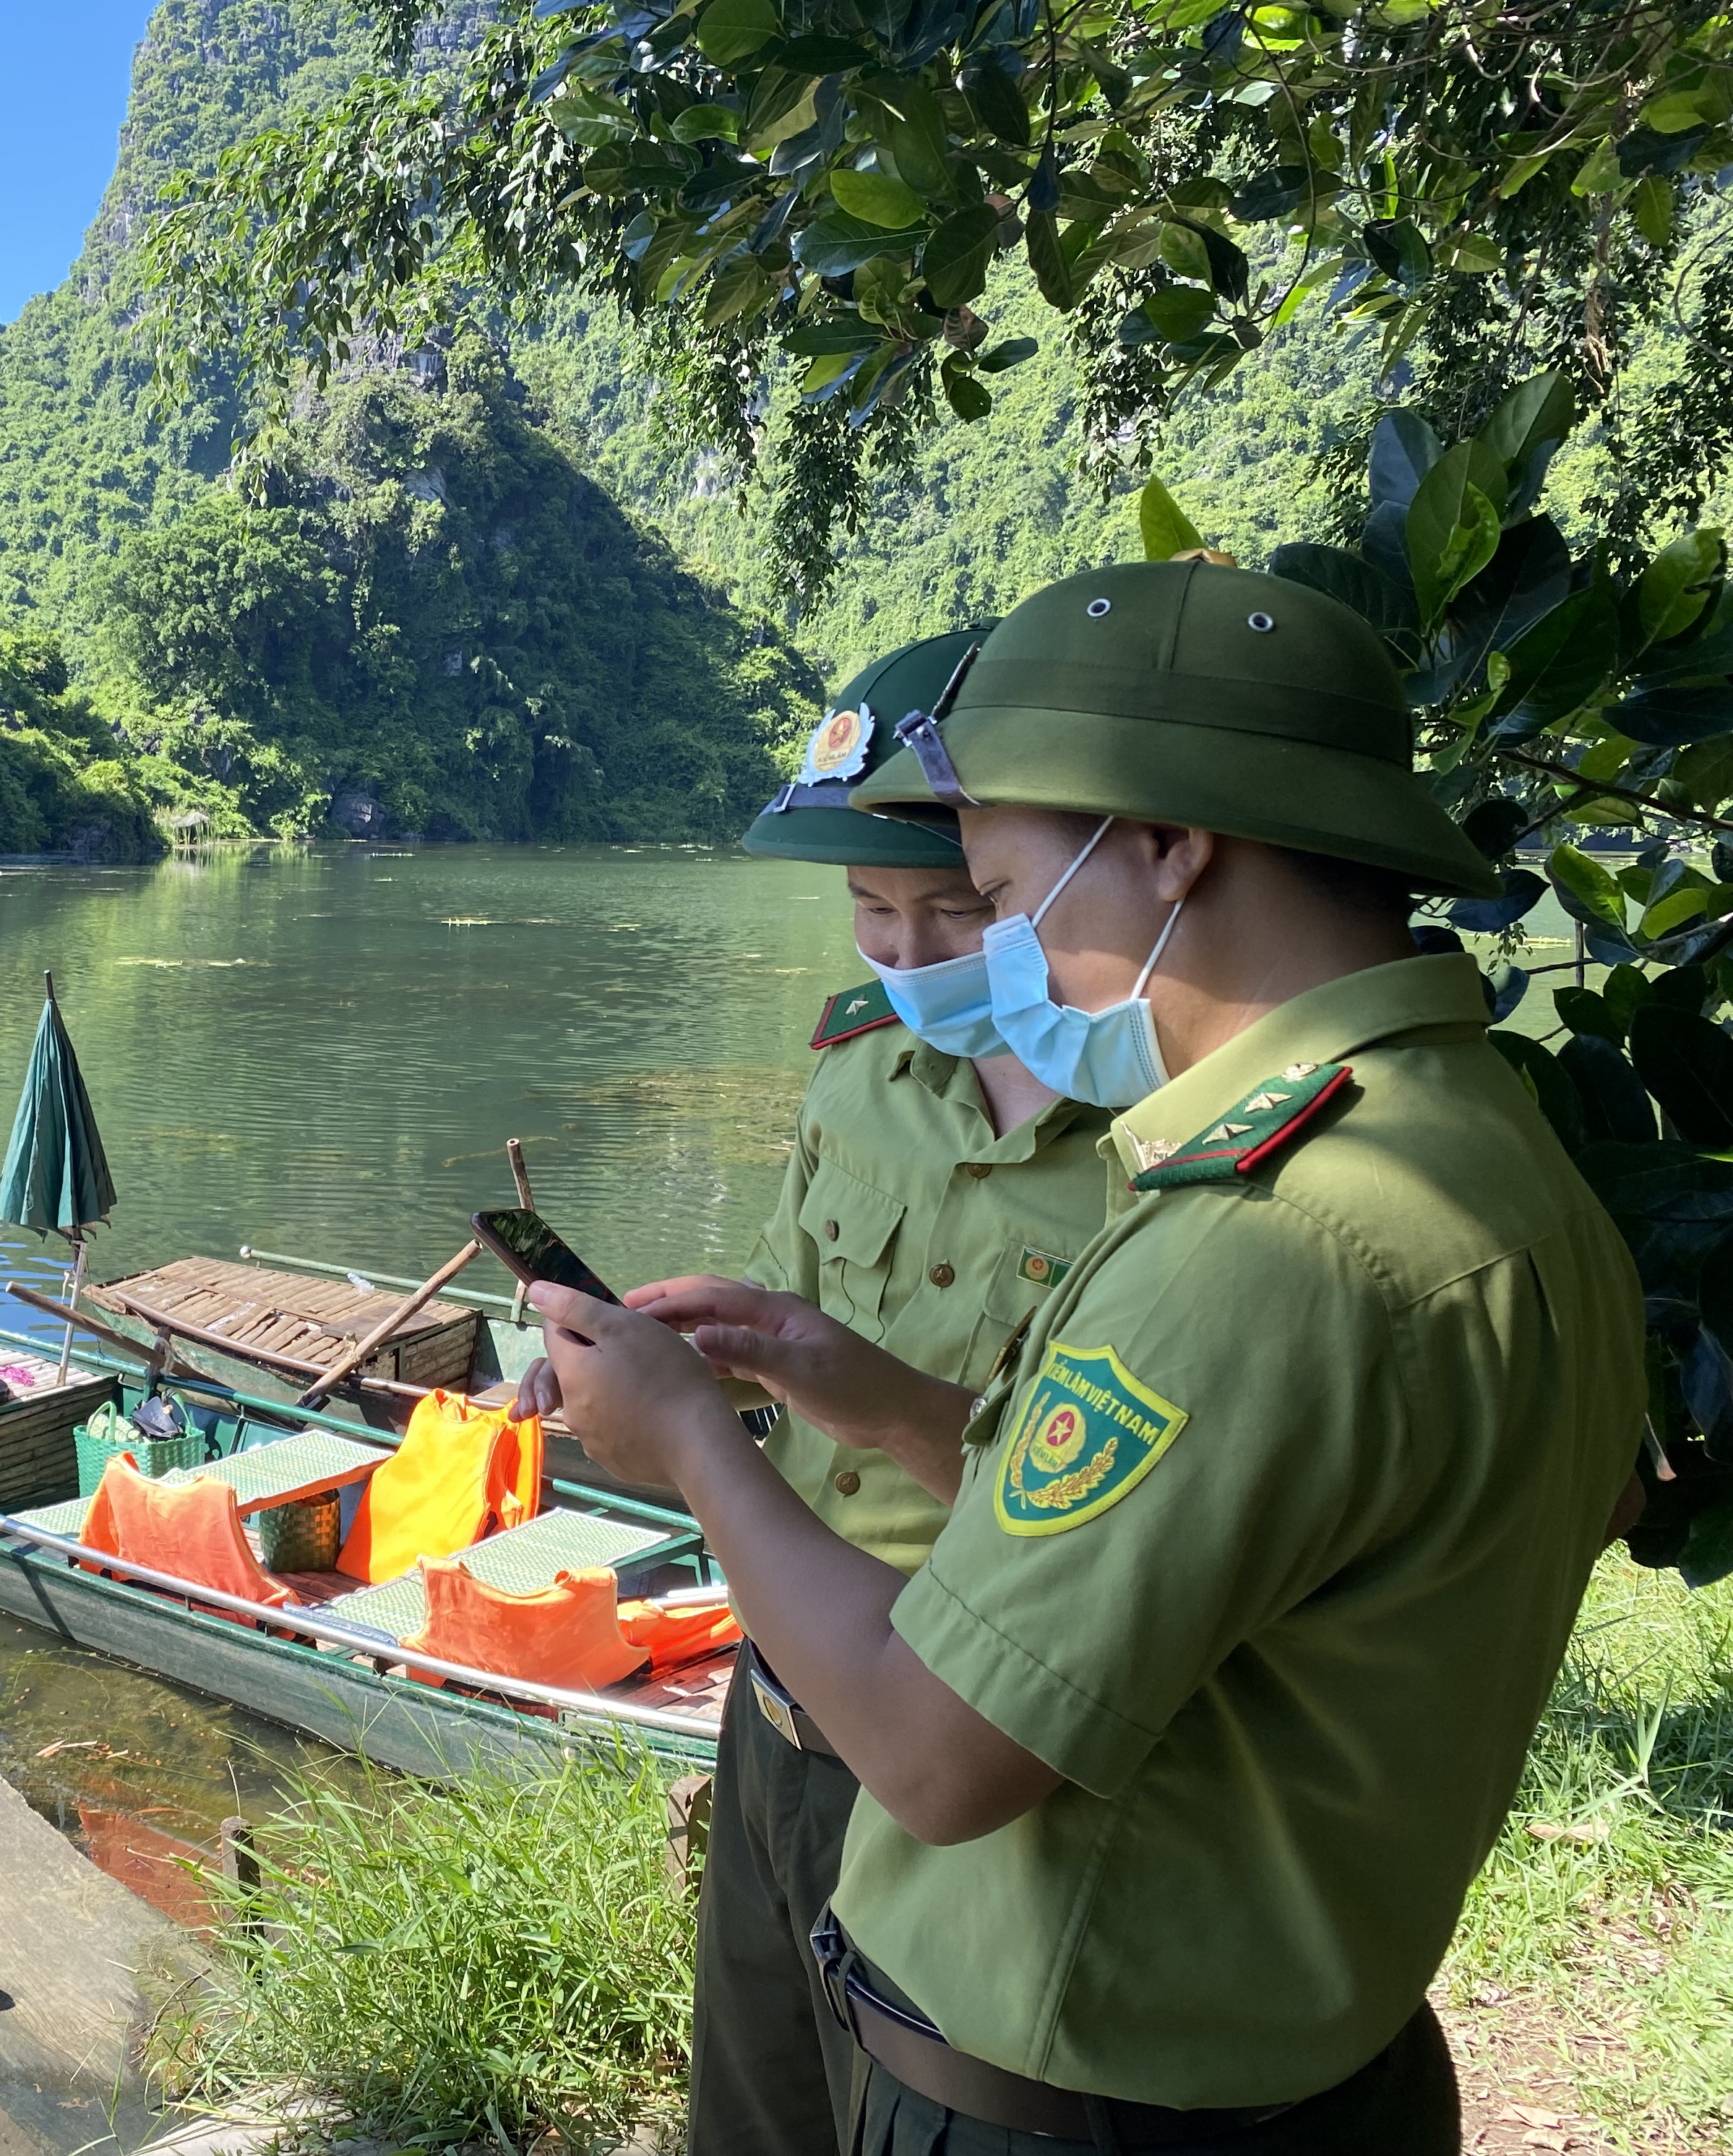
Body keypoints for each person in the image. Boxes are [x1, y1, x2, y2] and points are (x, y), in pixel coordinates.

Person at [521, 559, 1644, 2152]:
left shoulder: (1265, 1244)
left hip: (1079, 2093)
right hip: (1301, 2052)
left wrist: (696, 1444)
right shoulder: (1494, 1167)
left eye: (995, 887)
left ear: (1172, 845)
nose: (986, 962)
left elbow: (932, 1751)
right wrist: (843, 1378)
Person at [695, 630, 1117, 2156]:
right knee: (756, 2110)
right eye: (872, 914)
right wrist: (691, 1367)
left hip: (974, 1745)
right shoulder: (858, 1071)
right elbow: (778, 1332)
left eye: (957, 909)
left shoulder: (1163, 1141)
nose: (910, 957)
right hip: (777, 1714)